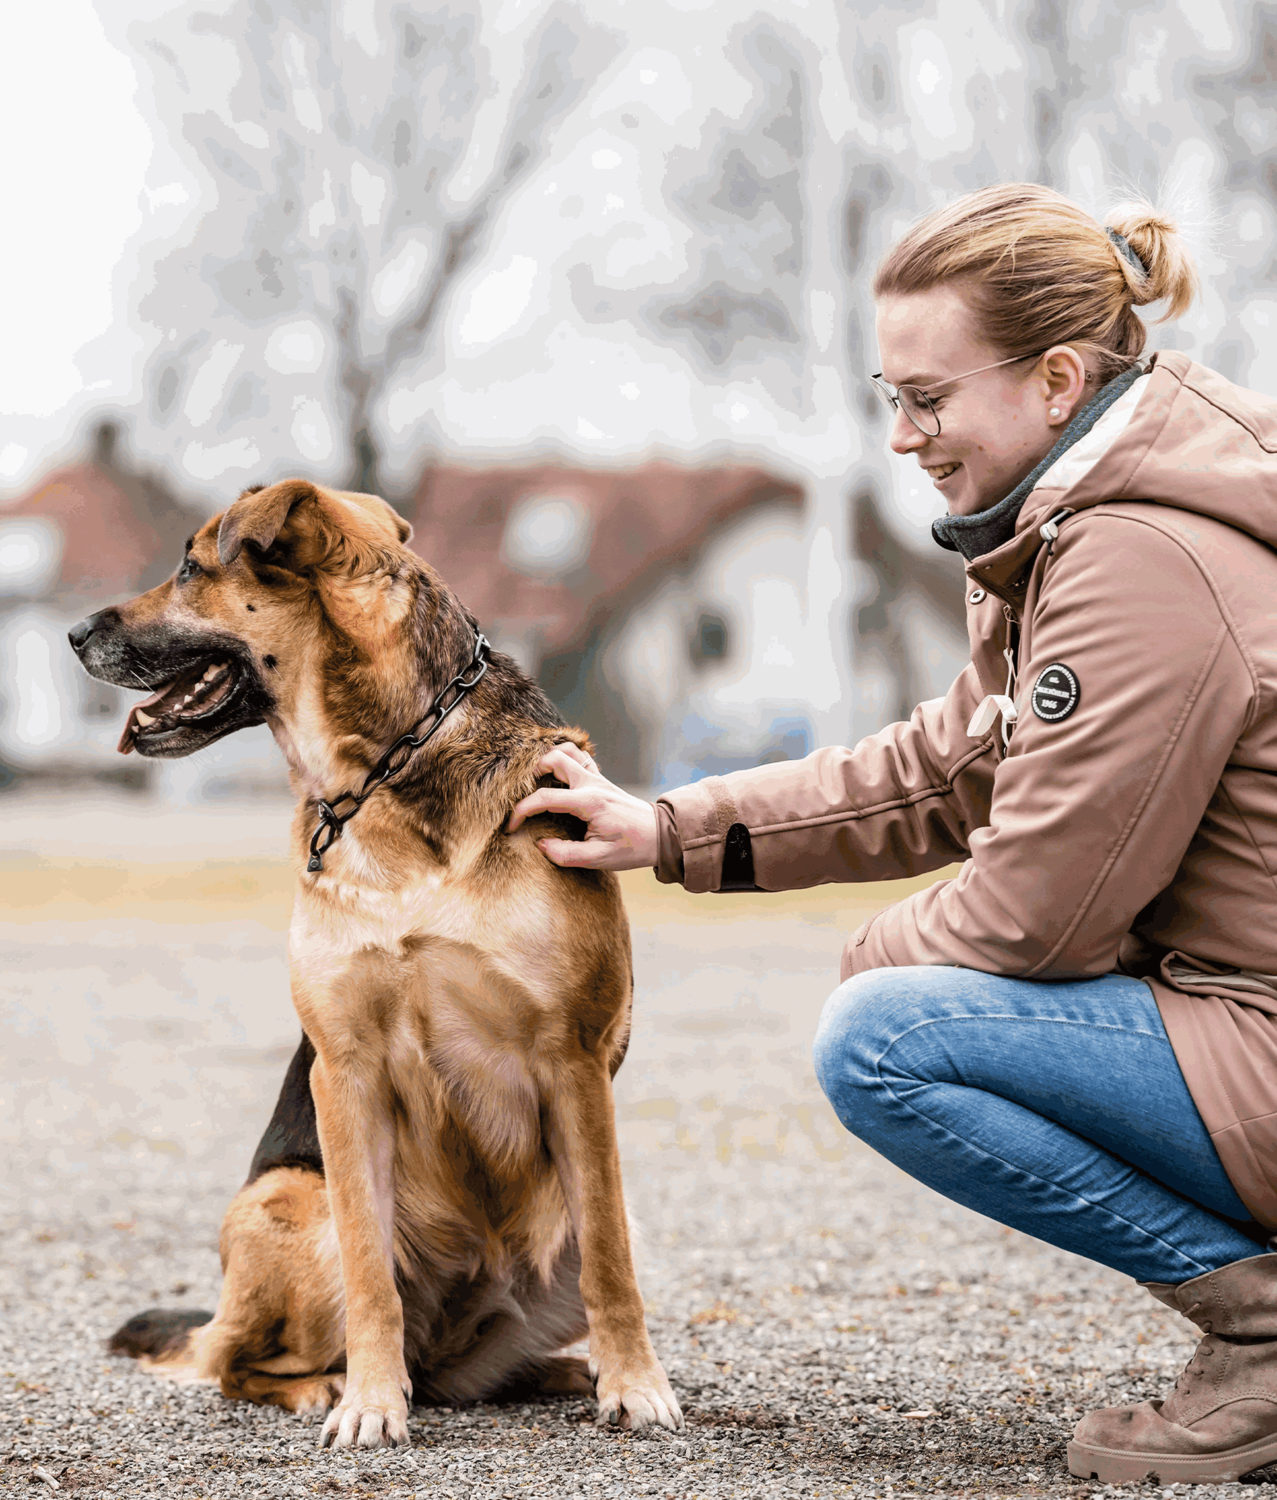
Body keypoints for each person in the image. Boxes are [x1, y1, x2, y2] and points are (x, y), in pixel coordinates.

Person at [508, 182, 1277, 1486]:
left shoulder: (1140, 559)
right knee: (908, 1007)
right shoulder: (1080, 528)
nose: (906, 436)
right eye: (892, 397)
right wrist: (668, 829)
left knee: (894, 1038)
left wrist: (878, 955)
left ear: (1055, 380)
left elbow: (1038, 918)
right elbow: (941, 766)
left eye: (930, 398)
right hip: (1244, 1016)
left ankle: (1265, 1336)